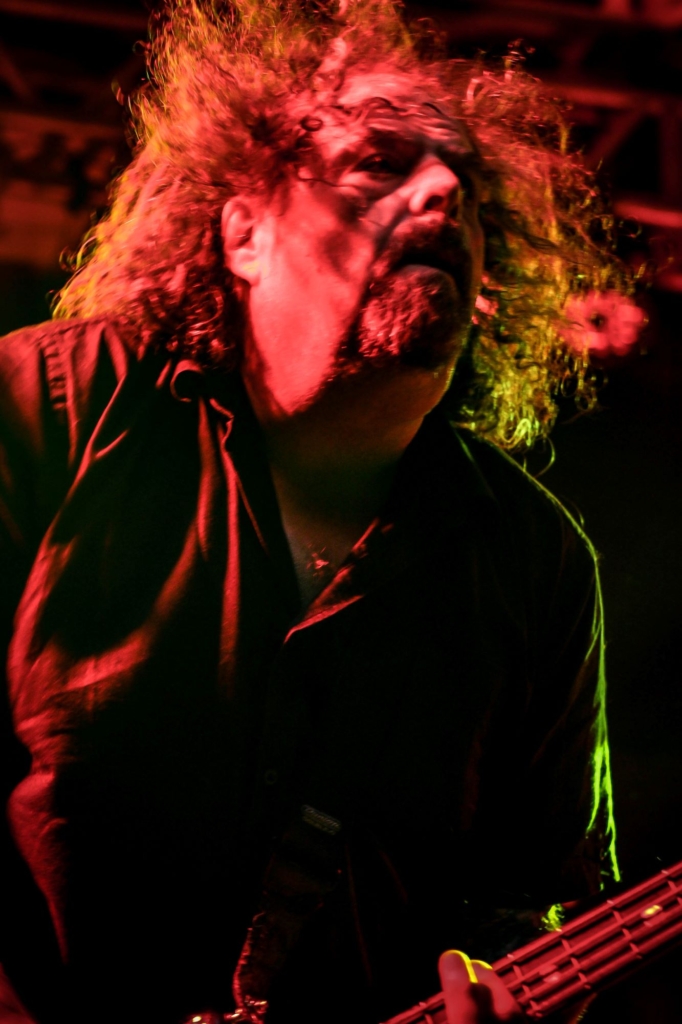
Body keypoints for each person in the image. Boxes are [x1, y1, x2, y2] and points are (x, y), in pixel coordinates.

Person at [0, 1, 620, 1022]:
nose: (442, 191)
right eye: (378, 162)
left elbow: (537, 900)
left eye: (466, 192)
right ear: (243, 234)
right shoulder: (48, 409)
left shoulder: (536, 563)